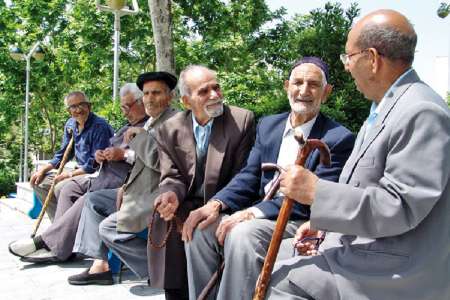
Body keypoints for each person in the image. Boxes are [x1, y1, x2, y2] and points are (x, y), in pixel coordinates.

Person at [267, 9, 450, 300]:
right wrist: (322, 226)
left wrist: (316, 192)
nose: (347, 67)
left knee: (283, 281)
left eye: (348, 58)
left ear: (373, 59)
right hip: (371, 247)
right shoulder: (383, 110)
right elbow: (364, 190)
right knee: (269, 256)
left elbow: (399, 206)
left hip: (397, 266)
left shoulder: (421, 111)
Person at [183, 57, 355, 300]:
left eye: (313, 85)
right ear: (287, 86)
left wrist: (252, 213)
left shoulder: (338, 139)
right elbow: (249, 176)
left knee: (243, 234)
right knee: (201, 228)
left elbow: (313, 201)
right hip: (261, 214)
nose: (304, 90)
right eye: (297, 82)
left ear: (326, 93)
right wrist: (216, 204)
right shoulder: (268, 125)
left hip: (297, 220)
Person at [8, 84, 148, 262]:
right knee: (67, 189)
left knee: (84, 197)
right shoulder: (121, 126)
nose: (124, 112)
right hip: (102, 175)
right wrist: (102, 156)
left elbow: (150, 158)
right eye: (122, 107)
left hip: (120, 183)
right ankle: (61, 244)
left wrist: (123, 155)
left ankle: (49, 243)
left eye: (127, 107)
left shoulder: (141, 127)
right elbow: (66, 153)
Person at [150, 65, 256, 300]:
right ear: (187, 102)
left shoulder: (241, 120)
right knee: (164, 216)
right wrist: (170, 195)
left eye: (216, 87)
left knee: (199, 226)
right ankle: (175, 294)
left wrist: (217, 206)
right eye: (204, 91)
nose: (215, 95)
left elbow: (244, 175)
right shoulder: (169, 129)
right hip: (187, 201)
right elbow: (171, 175)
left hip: (225, 202)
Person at [68, 71, 178, 286]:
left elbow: (160, 162)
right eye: (146, 93)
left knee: (108, 227)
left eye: (156, 93)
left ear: (170, 96)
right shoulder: (149, 122)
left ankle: (160, 268)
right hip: (133, 189)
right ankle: (100, 265)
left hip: (155, 193)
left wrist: (133, 144)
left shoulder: (174, 121)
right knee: (92, 200)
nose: (150, 98)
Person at [30, 91, 114, 221]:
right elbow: (63, 154)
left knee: (59, 187)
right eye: (73, 107)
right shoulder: (71, 125)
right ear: (69, 111)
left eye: (82, 105)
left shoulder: (99, 126)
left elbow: (94, 164)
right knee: (39, 182)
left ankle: (64, 228)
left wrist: (68, 175)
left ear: (89, 106)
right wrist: (43, 170)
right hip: (79, 171)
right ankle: (58, 223)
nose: (78, 109)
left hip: (96, 174)